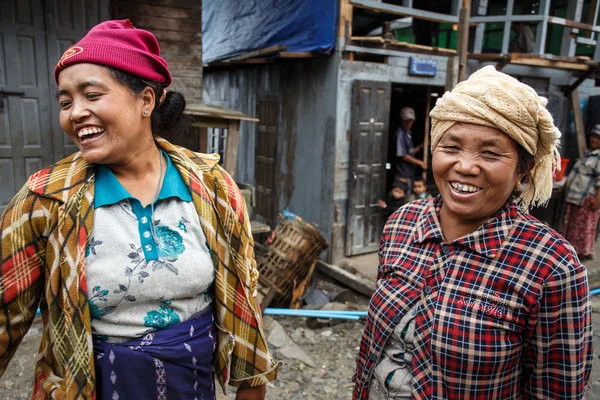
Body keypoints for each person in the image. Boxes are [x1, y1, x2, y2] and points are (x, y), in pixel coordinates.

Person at [0, 20, 279, 399]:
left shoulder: (212, 187)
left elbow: (244, 304)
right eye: (65, 102)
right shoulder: (45, 200)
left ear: (146, 100)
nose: (75, 112)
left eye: (92, 95)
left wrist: (252, 387)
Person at [353, 66, 593, 399]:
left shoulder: (551, 266)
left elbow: (557, 391)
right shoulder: (402, 223)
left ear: (523, 170)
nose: (465, 166)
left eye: (491, 153)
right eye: (451, 147)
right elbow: (374, 349)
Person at [562, 124, 600, 260]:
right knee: (572, 224)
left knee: (582, 227)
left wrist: (597, 199)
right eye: (593, 137)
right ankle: (570, 251)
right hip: (575, 196)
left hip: (587, 199)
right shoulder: (588, 153)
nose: (594, 140)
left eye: (598, 138)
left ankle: (580, 254)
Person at [395, 107, 428, 191]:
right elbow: (403, 155)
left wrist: (421, 146)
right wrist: (420, 163)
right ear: (402, 120)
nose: (409, 124)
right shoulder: (400, 134)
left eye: (410, 121)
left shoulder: (408, 133)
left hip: (409, 173)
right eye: (406, 121)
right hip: (402, 174)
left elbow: (410, 152)